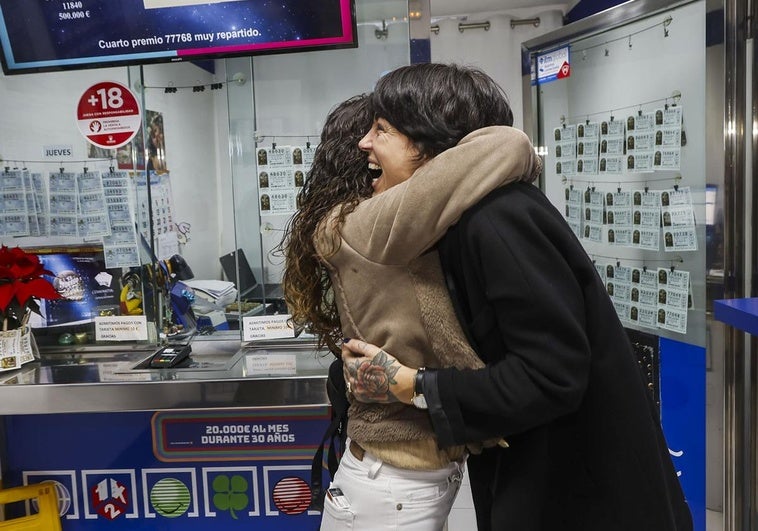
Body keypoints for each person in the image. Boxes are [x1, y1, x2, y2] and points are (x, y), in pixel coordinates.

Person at [281, 64, 541, 530]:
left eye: (382, 131)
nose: (369, 144)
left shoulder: (384, 229)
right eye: (373, 130)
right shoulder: (363, 226)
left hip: (401, 474)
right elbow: (511, 146)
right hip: (390, 480)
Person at [342, 195, 694, 528]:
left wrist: (417, 386)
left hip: (580, 490)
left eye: (383, 128)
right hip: (541, 474)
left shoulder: (498, 218)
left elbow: (549, 375)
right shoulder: (468, 219)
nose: (367, 142)